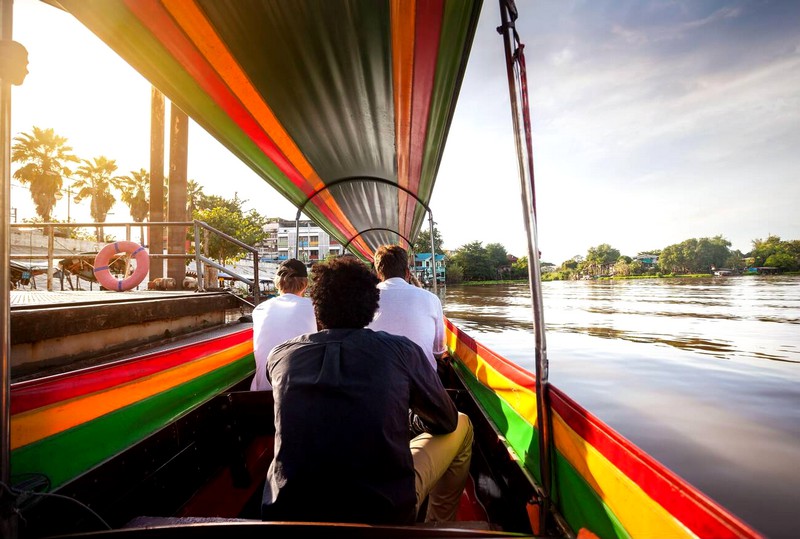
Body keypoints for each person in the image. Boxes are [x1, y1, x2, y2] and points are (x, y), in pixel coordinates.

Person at [261, 256, 473, 525]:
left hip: (288, 510)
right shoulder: (403, 351)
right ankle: (435, 527)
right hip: (382, 511)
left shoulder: (280, 355)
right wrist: (404, 417)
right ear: (373, 309)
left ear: (315, 309)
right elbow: (445, 421)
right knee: (462, 425)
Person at [368, 245, 446, 372]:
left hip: (377, 378)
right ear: (407, 273)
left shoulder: (364, 299)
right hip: (421, 381)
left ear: (378, 274)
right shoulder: (431, 298)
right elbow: (438, 351)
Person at [250, 258, 316, 391]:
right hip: (299, 394)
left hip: (260, 392)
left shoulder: (259, 310)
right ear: (305, 284)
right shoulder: (314, 308)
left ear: (277, 283)